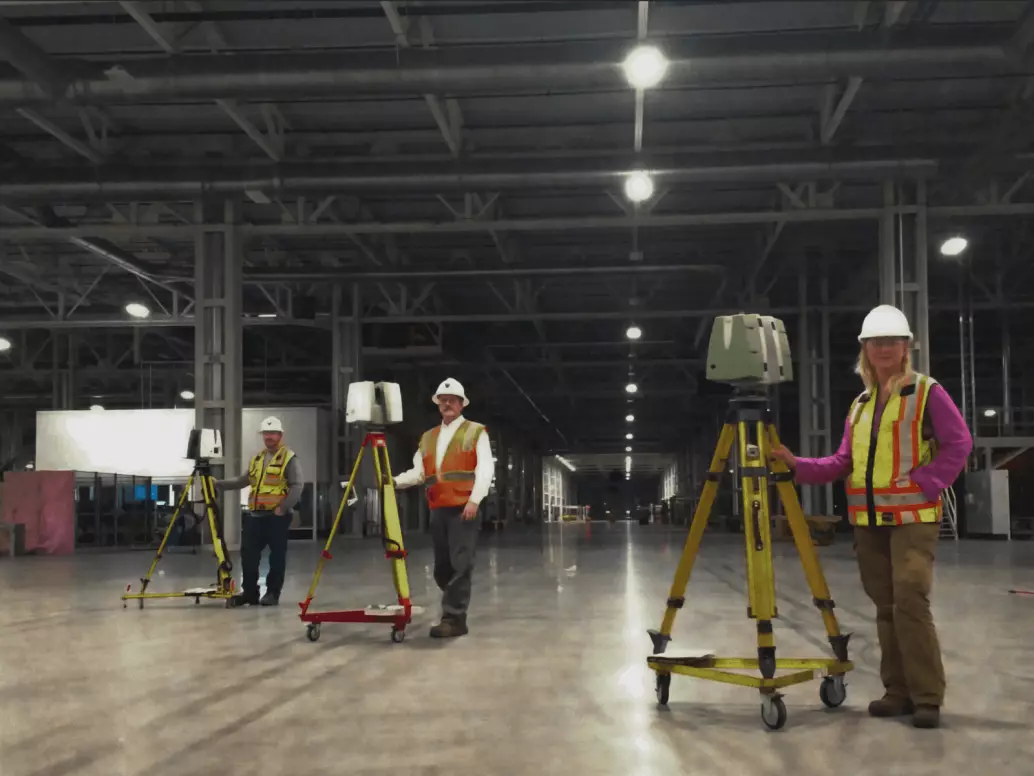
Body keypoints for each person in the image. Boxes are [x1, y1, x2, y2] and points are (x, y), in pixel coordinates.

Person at [770, 304, 971, 729]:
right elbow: (843, 461)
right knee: (885, 606)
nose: (883, 348)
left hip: (914, 517)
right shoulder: (860, 405)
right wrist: (796, 464)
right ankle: (896, 692)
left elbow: (959, 444)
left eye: (892, 342)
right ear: (865, 348)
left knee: (911, 600)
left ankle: (927, 697)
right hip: (869, 522)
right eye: (875, 342)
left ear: (906, 348)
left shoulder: (926, 392)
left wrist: (928, 482)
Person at [394, 378, 494, 638]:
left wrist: (475, 500)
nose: (447, 403)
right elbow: (418, 473)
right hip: (438, 508)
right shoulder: (428, 437)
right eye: (443, 399)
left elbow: (485, 469)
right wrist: (393, 482)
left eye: (452, 399)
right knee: (442, 568)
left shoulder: (475, 431)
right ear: (438, 404)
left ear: (462, 404)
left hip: (463, 508)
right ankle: (453, 608)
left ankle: (454, 619)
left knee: (461, 565)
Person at [218, 416, 304, 607]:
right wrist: (220, 485)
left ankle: (273, 593)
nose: (269, 437)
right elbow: (244, 480)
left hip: (276, 517)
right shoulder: (257, 458)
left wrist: (283, 508)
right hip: (254, 516)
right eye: (266, 433)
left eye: (273, 433)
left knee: (276, 557)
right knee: (248, 556)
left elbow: (297, 486)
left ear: (280, 435)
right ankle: (249, 593)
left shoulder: (289, 458)